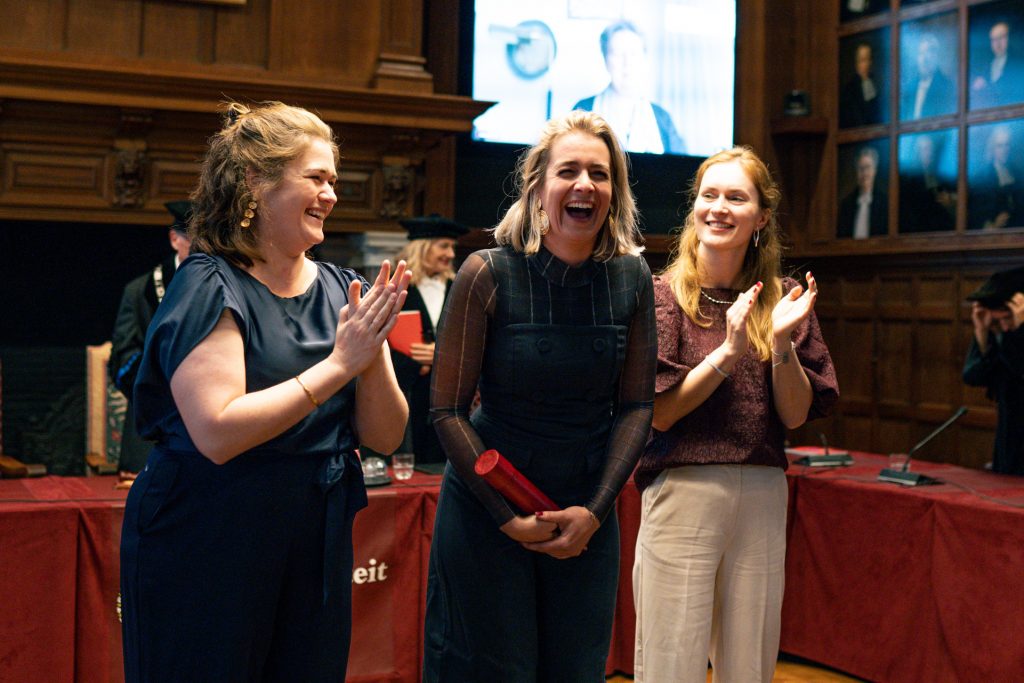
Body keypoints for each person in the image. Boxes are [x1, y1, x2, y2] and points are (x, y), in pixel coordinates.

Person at [119, 101, 411, 682]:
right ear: (256, 182)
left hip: (314, 537)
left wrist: (369, 351)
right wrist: (340, 363)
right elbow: (218, 432)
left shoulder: (343, 290)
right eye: (316, 177)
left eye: (334, 181)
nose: (330, 194)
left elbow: (385, 435)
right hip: (207, 533)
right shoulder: (208, 283)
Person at [423, 110, 657, 681]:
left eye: (600, 174)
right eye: (568, 171)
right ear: (536, 186)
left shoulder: (632, 278)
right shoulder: (486, 272)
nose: (585, 185)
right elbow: (447, 411)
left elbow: (636, 408)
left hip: (585, 513)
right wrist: (506, 517)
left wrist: (595, 512)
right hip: (488, 509)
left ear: (615, 192)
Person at [632, 147, 839, 683]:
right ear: (694, 206)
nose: (719, 207)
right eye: (710, 195)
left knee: (750, 664)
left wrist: (781, 343)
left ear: (761, 217)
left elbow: (794, 415)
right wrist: (727, 352)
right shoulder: (662, 295)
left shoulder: (784, 300)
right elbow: (661, 413)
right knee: (670, 659)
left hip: (763, 491)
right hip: (683, 486)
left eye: (736, 197)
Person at [109, 200, 193, 475]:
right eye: (194, 241)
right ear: (175, 239)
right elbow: (122, 358)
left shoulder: (228, 286)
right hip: (153, 416)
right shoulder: (140, 291)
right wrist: (161, 381)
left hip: (213, 415)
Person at [390, 213, 468, 465]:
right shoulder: (395, 290)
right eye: (443, 246)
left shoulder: (461, 290)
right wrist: (417, 363)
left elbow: (477, 342)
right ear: (422, 247)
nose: (451, 254)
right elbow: (379, 346)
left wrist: (441, 356)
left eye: (452, 247)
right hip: (408, 396)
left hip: (450, 400)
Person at [573, 21, 685, 155]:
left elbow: (680, 165)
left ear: (643, 59)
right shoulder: (582, 111)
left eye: (633, 53)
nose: (627, 62)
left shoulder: (662, 118)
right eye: (617, 53)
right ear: (605, 59)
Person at [963, 265, 1024, 475]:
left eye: (1007, 318)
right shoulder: (1001, 335)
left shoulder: (1012, 336)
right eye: (998, 321)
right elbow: (973, 376)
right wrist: (981, 332)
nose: (1004, 327)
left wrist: (1019, 330)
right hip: (1009, 443)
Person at [969, 124, 1024, 230]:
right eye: (999, 146)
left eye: (1007, 145)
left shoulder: (1018, 174)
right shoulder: (982, 178)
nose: (1004, 150)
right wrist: (994, 225)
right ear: (992, 148)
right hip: (997, 235)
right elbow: (976, 214)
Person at [899, 133, 956, 233]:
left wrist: (950, 199)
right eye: (924, 149)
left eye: (929, 149)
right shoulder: (908, 180)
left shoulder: (938, 177)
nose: (928, 153)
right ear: (917, 152)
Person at [901, 32, 956, 120]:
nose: (924, 59)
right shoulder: (910, 88)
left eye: (928, 53)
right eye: (921, 53)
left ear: (936, 57)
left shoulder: (947, 87)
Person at [970, 20, 1024, 109]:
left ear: (1010, 38)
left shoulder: (1018, 63)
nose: (997, 43)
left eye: (1002, 37)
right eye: (994, 40)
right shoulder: (985, 68)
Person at [837, 146, 888, 238]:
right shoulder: (846, 204)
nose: (864, 173)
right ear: (856, 171)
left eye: (868, 167)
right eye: (861, 168)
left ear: (874, 170)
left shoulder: (885, 203)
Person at [840, 42, 884, 128]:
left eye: (868, 60)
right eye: (863, 60)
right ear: (857, 63)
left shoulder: (877, 85)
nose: (867, 64)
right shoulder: (850, 89)